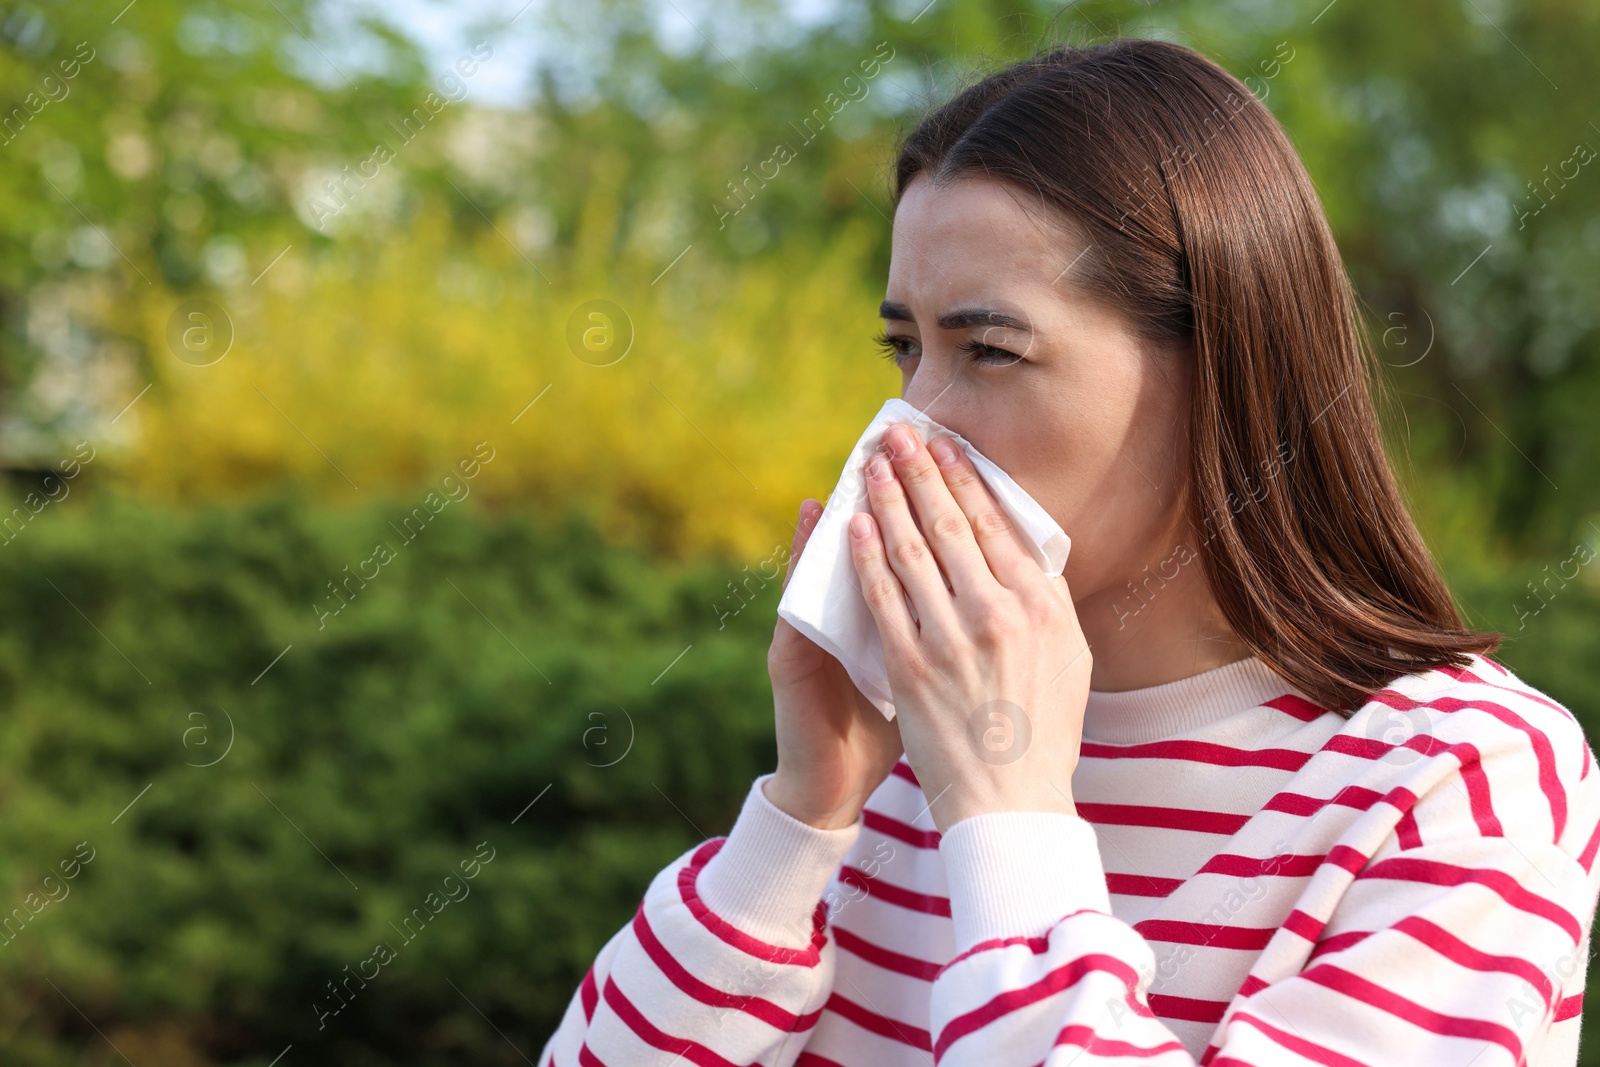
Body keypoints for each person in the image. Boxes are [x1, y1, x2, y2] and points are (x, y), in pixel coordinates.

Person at [537, 35, 1600, 1066]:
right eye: (904, 347)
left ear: (1216, 369)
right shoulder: (891, 764)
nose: (912, 423)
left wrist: (1006, 815)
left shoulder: (1457, 778)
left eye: (989, 349)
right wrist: (801, 815)